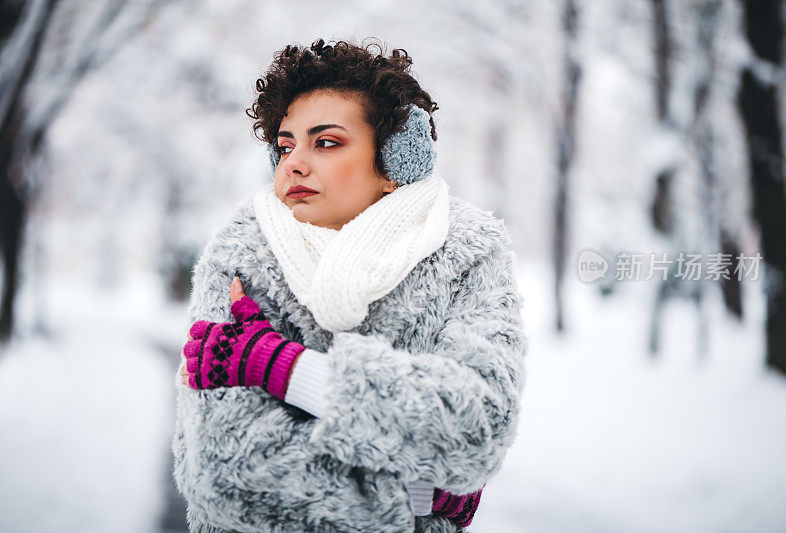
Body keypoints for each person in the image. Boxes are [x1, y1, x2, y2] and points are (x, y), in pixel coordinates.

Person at [173, 38, 529, 533]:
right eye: (284, 145)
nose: (294, 162)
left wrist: (283, 368)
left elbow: (477, 426)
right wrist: (418, 492)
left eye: (326, 142)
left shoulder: (468, 251)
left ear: (395, 160)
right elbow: (231, 473)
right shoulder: (241, 255)